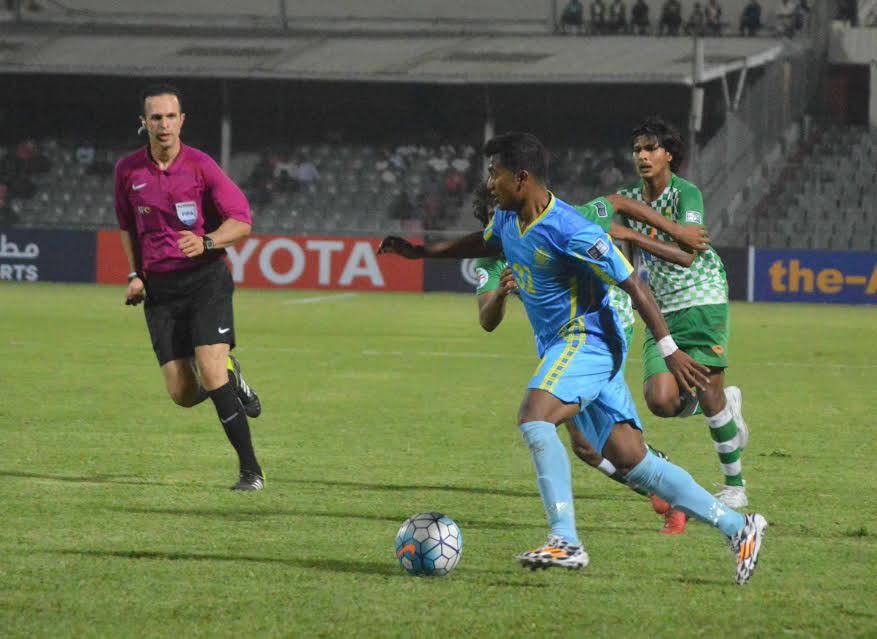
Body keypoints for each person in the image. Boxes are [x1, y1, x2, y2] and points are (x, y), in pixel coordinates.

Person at [380, 132, 768, 584]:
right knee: (631, 459)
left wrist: (669, 349)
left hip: (588, 338)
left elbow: (633, 284)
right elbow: (484, 243)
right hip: (566, 345)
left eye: (495, 174)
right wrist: (420, 252)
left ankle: (565, 539)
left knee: (535, 416)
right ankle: (739, 526)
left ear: (521, 177)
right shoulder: (507, 217)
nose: (489, 183)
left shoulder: (570, 228)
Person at [469, 184, 696, 534]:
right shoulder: (492, 257)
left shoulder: (558, 221)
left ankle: (655, 492)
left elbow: (617, 203)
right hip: (563, 339)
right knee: (587, 448)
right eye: (494, 219)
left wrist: (677, 230)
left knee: (565, 429)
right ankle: (661, 484)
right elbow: (486, 319)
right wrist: (500, 293)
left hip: (601, 325)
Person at [114, 83, 265, 491]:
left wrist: (208, 241)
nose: (164, 125)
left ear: (182, 121)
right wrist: (135, 275)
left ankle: (251, 471)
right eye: (155, 117)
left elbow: (242, 221)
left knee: (210, 370)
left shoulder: (202, 167)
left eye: (170, 117)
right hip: (161, 292)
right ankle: (233, 380)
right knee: (182, 393)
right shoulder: (127, 171)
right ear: (144, 123)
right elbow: (128, 227)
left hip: (205, 280)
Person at [615, 116, 749, 507]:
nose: (642, 155)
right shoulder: (627, 198)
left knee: (709, 392)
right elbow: (626, 259)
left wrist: (632, 233)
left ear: (669, 154)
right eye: (638, 149)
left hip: (703, 297)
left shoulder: (686, 193)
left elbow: (687, 254)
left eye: (651, 148)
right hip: (663, 307)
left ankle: (734, 486)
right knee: (660, 399)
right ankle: (726, 403)